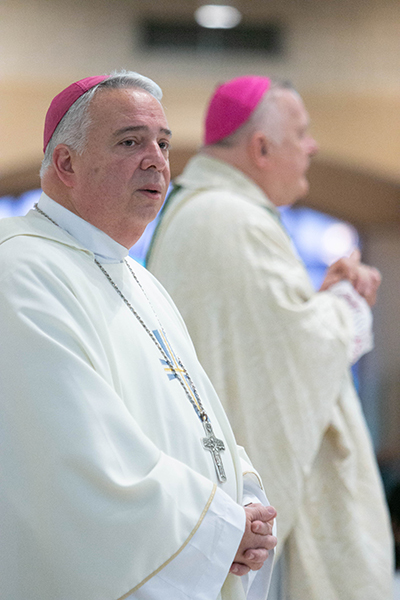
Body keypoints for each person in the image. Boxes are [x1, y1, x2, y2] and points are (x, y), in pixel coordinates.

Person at [0, 71, 278, 600]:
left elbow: (199, 417)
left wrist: (243, 500)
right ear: (66, 163)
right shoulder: (20, 270)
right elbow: (75, 460)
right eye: (131, 141)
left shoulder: (141, 281)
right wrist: (219, 528)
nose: (157, 159)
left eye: (164, 143)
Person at [146, 76, 394, 599]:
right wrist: (345, 305)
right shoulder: (229, 219)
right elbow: (293, 358)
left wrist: (318, 301)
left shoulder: (210, 210)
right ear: (261, 147)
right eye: (301, 133)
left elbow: (268, 338)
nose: (313, 146)